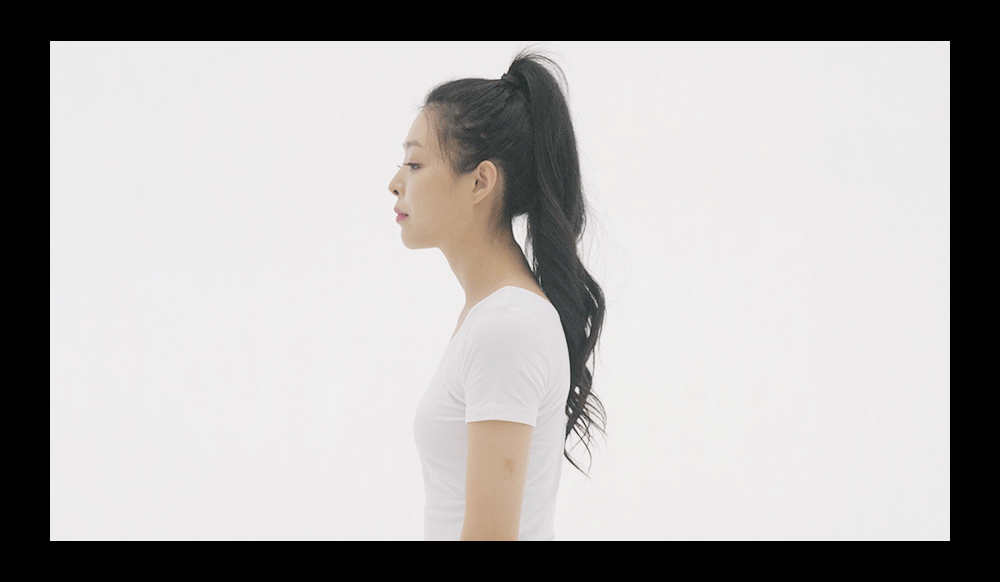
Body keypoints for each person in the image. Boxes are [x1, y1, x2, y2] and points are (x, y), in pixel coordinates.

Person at [388, 50, 607, 541]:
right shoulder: (495, 317)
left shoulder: (506, 326)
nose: (395, 183)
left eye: (415, 163)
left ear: (480, 181)